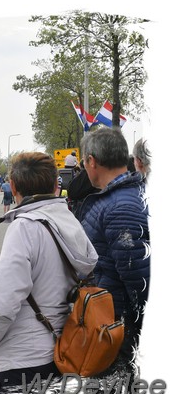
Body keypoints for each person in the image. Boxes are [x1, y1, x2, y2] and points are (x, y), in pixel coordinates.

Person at [0, 152, 98, 394]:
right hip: (66, 350)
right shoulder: (70, 221)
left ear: (12, 186)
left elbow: (3, 303)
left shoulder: (24, 227)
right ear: (56, 185)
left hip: (25, 359)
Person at [78, 127, 150, 371]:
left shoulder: (120, 207)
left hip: (119, 331)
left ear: (92, 161)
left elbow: (139, 279)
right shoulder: (121, 198)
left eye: (84, 161)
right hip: (115, 324)